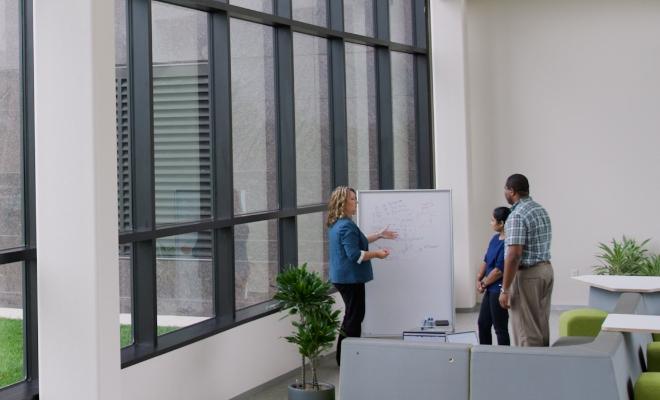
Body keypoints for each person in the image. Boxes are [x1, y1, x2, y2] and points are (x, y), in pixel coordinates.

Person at [327, 186, 398, 366]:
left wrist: (380, 235)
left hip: (343, 277)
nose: (356, 202)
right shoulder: (346, 226)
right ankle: (349, 359)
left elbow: (357, 241)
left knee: (352, 315)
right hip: (350, 279)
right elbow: (355, 255)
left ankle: (345, 358)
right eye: (352, 199)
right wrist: (377, 254)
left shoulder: (339, 224)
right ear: (343, 203)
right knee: (354, 317)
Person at [498, 174, 553, 347]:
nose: (505, 192)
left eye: (505, 189)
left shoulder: (516, 215)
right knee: (540, 324)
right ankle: (543, 368)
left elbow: (514, 255)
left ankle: (529, 372)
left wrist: (505, 289)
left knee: (526, 331)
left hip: (528, 276)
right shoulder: (539, 209)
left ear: (512, 191)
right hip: (545, 271)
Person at [476, 206, 511, 346]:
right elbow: (486, 259)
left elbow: (499, 271)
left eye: (492, 220)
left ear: (501, 223)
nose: (490, 223)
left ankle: (504, 358)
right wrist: (478, 278)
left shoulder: (508, 243)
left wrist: (484, 283)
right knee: (483, 324)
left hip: (498, 289)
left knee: (500, 328)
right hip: (489, 288)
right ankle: (486, 354)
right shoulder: (494, 238)